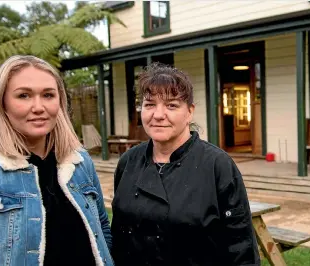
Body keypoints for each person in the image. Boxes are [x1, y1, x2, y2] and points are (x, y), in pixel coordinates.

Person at [0, 55, 113, 266]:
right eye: (24, 96)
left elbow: (102, 230)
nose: (38, 107)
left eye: (48, 95)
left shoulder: (79, 162)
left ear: (60, 102)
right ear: (3, 104)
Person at [111, 63, 260, 266]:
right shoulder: (128, 162)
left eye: (171, 105)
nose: (158, 114)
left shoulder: (217, 166)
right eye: (149, 104)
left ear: (189, 112)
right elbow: (118, 238)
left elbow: (241, 248)